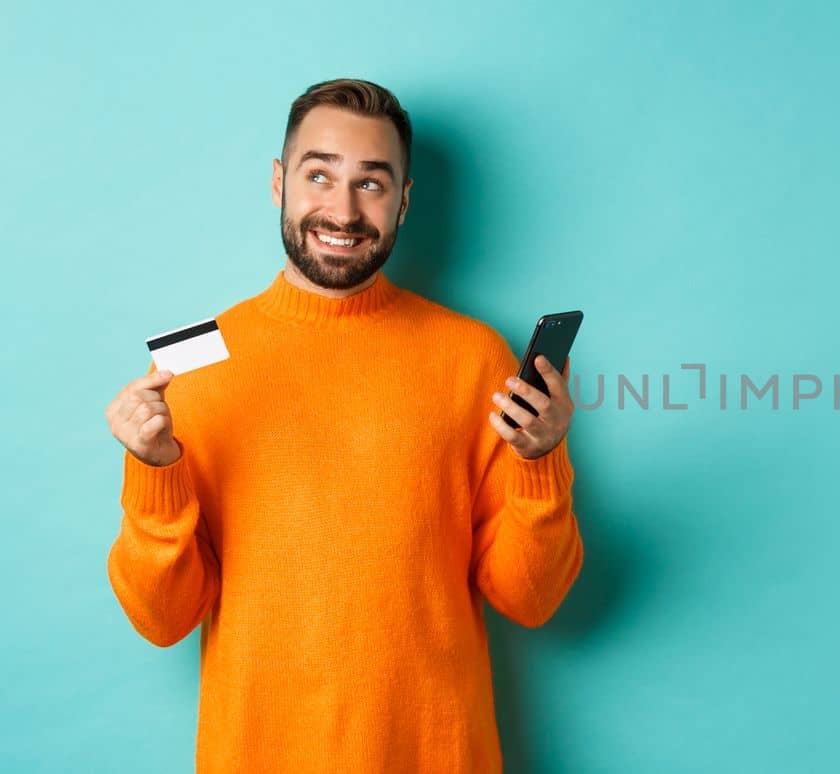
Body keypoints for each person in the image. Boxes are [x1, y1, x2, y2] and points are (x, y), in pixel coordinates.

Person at [102, 78, 583, 773]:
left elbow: (530, 601)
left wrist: (542, 462)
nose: (343, 208)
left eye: (372, 184)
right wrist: (153, 472)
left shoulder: (475, 356)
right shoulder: (192, 362)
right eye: (320, 174)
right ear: (278, 182)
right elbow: (161, 619)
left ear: (405, 202)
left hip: (435, 754)